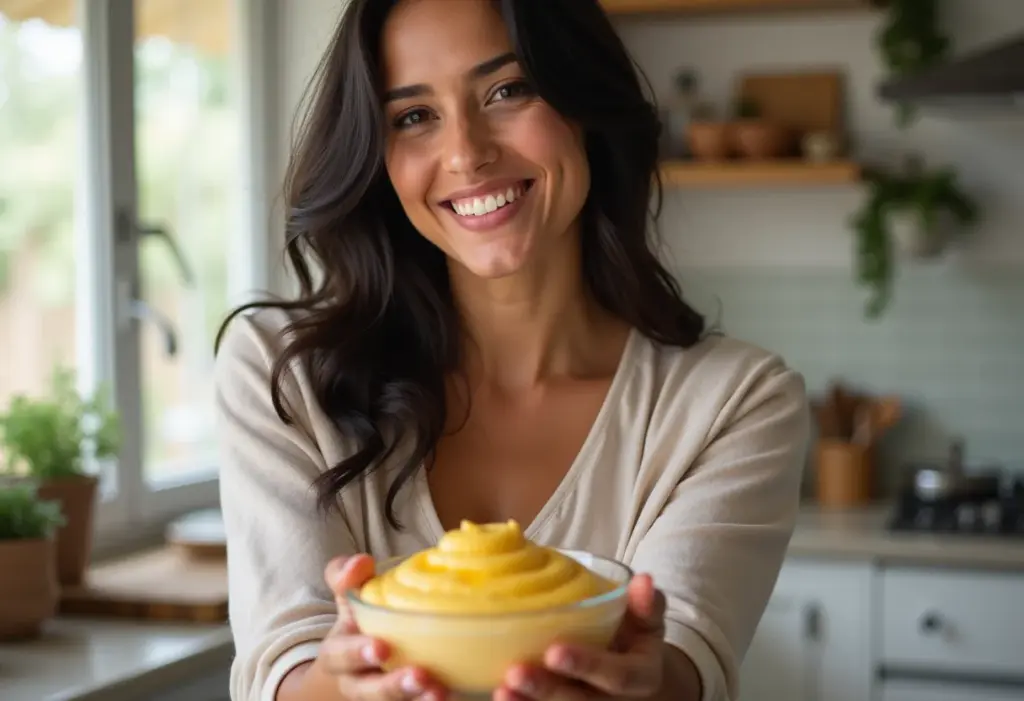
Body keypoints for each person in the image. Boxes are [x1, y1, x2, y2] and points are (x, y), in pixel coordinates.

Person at [214, 0, 810, 699]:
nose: (466, 153)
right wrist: (338, 684)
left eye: (507, 91)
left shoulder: (735, 403)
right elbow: (280, 669)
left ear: (584, 101)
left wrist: (643, 682)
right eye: (414, 116)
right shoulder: (282, 376)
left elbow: (686, 659)